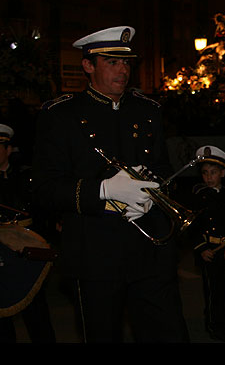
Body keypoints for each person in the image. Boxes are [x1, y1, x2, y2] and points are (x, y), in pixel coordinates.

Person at [32, 26, 189, 342]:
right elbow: (45, 187)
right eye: (112, 62)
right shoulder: (62, 116)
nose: (123, 71)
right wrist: (102, 191)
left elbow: (162, 168)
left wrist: (152, 194)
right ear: (88, 65)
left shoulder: (147, 111)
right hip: (95, 253)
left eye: (127, 63)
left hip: (150, 250)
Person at [0, 124, 56, 342]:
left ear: (8, 149)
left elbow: (44, 209)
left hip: (28, 249)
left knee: (36, 309)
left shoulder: (27, 176)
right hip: (1, 253)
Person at [187, 145, 225, 341]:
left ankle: (221, 322)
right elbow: (192, 226)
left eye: (213, 173)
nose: (208, 177)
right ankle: (213, 325)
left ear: (223, 173)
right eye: (205, 173)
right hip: (209, 250)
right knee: (212, 291)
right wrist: (201, 248)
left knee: (224, 290)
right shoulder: (198, 196)